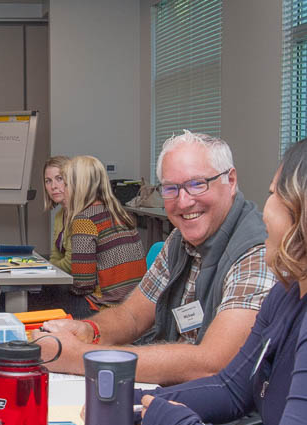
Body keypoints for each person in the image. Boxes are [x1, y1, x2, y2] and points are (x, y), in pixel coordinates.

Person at [138, 137, 307, 425]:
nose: (264, 210)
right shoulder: (288, 294)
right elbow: (233, 387)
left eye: (273, 196)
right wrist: (139, 404)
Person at [35, 131, 276, 384]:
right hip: (173, 389)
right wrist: (91, 331)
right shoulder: (179, 240)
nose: (184, 202)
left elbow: (211, 364)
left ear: (231, 180)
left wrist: (79, 357)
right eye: (171, 188)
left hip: (219, 411)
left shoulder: (258, 253)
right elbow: (132, 315)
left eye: (197, 184)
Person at [55, 155, 146, 319]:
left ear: (78, 187)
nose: (63, 190)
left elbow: (83, 285)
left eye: (66, 184)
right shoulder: (120, 214)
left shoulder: (85, 220)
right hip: (135, 305)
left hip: (107, 309)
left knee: (43, 296)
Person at [44, 155, 72, 273]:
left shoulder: (81, 215)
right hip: (65, 278)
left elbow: (71, 264)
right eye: (48, 181)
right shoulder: (59, 215)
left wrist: (47, 269)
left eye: (59, 178)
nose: (53, 186)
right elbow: (55, 257)